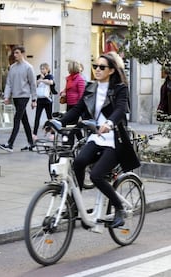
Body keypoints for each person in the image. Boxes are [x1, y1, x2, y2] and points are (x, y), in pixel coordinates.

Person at [57, 52, 140, 228]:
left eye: (102, 67)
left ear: (111, 70)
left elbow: (120, 109)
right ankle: (75, 206)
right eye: (95, 66)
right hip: (96, 137)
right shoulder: (90, 88)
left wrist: (110, 123)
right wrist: (57, 122)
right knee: (78, 163)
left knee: (96, 176)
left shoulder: (120, 88)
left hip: (114, 140)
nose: (97, 70)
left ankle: (119, 208)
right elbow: (76, 110)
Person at [0, 46, 36, 152]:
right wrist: (6, 96)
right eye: (14, 53)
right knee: (25, 121)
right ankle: (31, 144)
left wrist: (34, 99)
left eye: (17, 53)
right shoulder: (12, 67)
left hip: (24, 96)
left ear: (23, 53)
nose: (15, 55)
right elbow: (9, 83)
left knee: (16, 118)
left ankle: (10, 144)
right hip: (15, 96)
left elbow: (33, 84)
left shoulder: (29, 67)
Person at [31, 63, 54, 143]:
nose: (42, 70)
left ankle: (52, 133)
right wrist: (39, 79)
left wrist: (43, 80)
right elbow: (34, 84)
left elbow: (51, 82)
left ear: (47, 69)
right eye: (41, 69)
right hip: (40, 100)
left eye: (44, 69)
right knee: (37, 117)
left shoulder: (50, 76)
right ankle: (34, 134)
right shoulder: (38, 76)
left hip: (47, 100)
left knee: (49, 117)